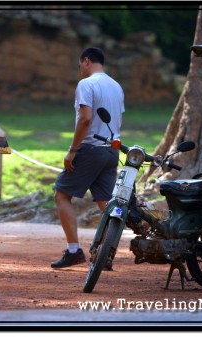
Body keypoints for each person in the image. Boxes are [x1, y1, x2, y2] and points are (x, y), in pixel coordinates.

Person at [51, 47, 125, 269]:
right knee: (106, 204)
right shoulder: (116, 86)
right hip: (112, 150)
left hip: (91, 148)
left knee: (61, 194)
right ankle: (106, 255)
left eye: (79, 66)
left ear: (86, 61)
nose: (79, 71)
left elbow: (85, 119)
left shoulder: (86, 84)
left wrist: (73, 150)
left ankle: (73, 251)